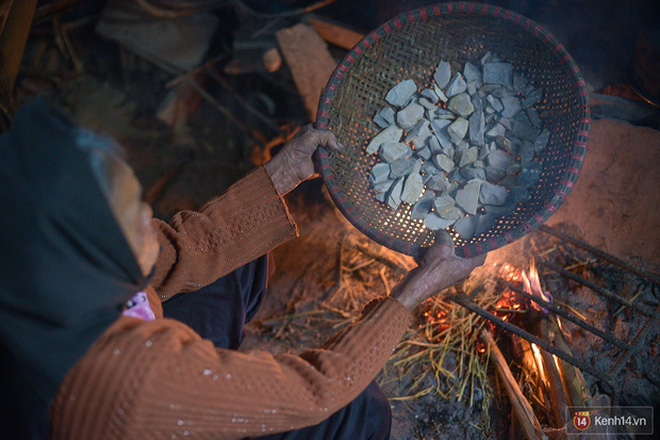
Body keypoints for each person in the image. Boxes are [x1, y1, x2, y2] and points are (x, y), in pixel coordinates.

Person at [0, 97, 486, 439]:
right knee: (357, 413)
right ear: (87, 255)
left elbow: (177, 249)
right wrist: (414, 290)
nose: (151, 219)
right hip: (122, 411)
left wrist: (283, 173)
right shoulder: (132, 382)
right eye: (133, 219)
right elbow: (316, 388)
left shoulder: (38, 272)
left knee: (236, 255)